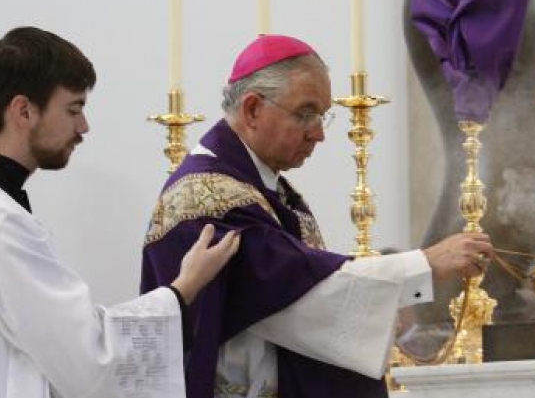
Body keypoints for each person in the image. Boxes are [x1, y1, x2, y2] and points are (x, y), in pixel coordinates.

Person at [141, 34, 493, 398]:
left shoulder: (267, 192)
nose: (319, 134)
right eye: (305, 113)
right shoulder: (210, 200)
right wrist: (425, 264)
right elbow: (297, 295)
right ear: (252, 110)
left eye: (323, 116)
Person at [0, 26, 240, 398]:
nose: (83, 127)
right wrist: (183, 288)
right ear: (23, 110)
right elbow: (91, 360)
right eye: (73, 109)